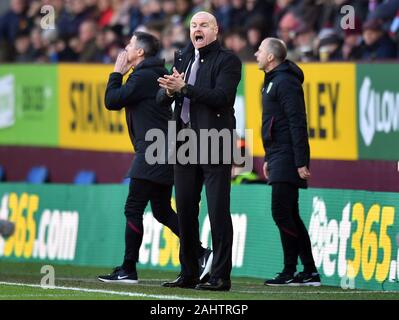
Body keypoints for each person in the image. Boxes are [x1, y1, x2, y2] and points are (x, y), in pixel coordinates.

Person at [98, 31, 212, 284]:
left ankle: (128, 269)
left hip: (153, 150)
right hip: (161, 149)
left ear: (139, 52)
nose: (125, 49)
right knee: (160, 210)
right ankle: (203, 253)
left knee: (133, 207)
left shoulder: (143, 77)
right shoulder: (149, 74)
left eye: (129, 45)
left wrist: (117, 72)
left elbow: (112, 101)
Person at [157, 11, 241, 291]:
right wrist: (169, 91)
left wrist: (185, 88)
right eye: (193, 25)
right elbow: (162, 97)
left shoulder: (228, 60)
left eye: (204, 25)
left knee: (217, 210)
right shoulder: (182, 57)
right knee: (185, 211)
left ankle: (220, 276)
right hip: (183, 143)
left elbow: (222, 98)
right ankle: (189, 271)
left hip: (214, 141)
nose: (198, 29)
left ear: (216, 30)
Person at [255, 37, 321, 286]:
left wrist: (301, 161)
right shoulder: (271, 81)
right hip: (278, 155)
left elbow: (297, 122)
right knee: (290, 213)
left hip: (288, 155)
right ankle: (309, 271)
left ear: (271, 57)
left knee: (281, 212)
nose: (256, 54)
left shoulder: (285, 82)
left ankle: (290, 270)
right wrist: (269, 157)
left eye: (260, 51)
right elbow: (275, 124)